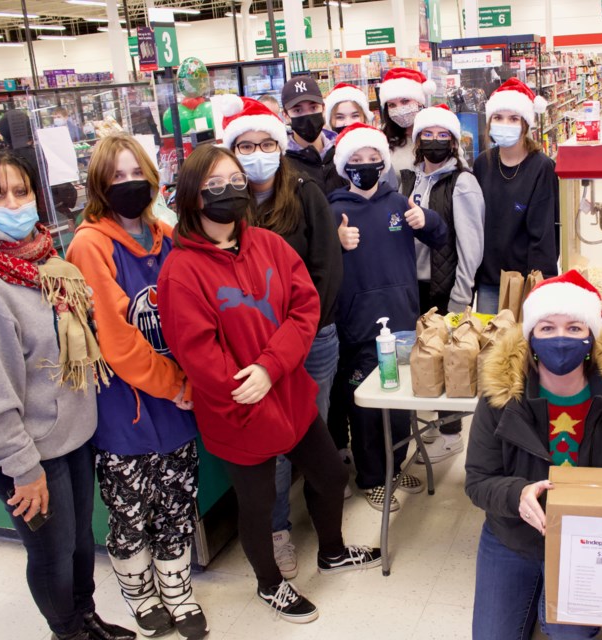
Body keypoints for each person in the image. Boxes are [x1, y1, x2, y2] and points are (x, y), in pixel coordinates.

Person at [157, 144, 381, 625]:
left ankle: (332, 551)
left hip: (287, 393)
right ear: (193, 198)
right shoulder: (181, 270)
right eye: (215, 186)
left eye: (236, 181)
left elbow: (304, 309)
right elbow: (196, 351)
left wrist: (269, 367)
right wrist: (246, 382)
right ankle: (269, 584)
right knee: (259, 505)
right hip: (236, 408)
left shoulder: (270, 245)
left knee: (330, 474)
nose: (231, 191)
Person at [0, 151, 132, 640]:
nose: (14, 203)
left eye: (21, 191)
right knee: (51, 554)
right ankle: (67, 632)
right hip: (26, 456)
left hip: (70, 437)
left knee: (79, 545)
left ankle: (85, 618)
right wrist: (21, 469)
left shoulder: (47, 261)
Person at [65, 135, 207, 640]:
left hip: (179, 402)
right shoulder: (90, 244)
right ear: (100, 186)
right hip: (126, 409)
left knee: (176, 502)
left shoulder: (166, 234)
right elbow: (116, 337)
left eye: (136, 172)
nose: (129, 183)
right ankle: (140, 594)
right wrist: (176, 385)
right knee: (130, 512)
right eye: (116, 176)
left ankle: (177, 588)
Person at [465, 271, 602, 640]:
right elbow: (477, 481)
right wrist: (516, 495)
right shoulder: (501, 397)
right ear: (531, 337)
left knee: (568, 634)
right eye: (547, 328)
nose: (561, 339)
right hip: (513, 535)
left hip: (589, 539)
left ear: (592, 336)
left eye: (574, 327)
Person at [214, 95, 344, 580]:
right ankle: (277, 531)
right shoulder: (225, 205)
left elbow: (325, 270)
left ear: (281, 145)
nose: (258, 153)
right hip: (256, 357)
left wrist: (301, 335)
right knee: (270, 446)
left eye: (268, 142)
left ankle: (322, 525)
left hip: (312, 343)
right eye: (246, 146)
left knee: (313, 437)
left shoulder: (306, 191)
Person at [328, 123, 447, 511]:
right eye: (356, 160)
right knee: (364, 407)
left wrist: (425, 221)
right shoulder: (334, 211)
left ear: (383, 162)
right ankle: (372, 477)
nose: (365, 165)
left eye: (372, 158)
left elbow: (441, 236)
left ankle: (395, 467)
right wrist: (335, 243)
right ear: (345, 166)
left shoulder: (399, 204)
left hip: (402, 323)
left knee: (399, 403)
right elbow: (314, 263)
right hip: (358, 329)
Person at [399, 104, 485, 463]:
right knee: (427, 358)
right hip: (411, 285)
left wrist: (461, 295)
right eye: (427, 135)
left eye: (442, 135)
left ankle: (451, 434)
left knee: (451, 362)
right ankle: (433, 427)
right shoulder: (406, 179)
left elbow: (471, 244)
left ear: (453, 141)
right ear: (417, 140)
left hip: (445, 287)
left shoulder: (462, 182)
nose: (434, 141)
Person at [473, 78, 559, 314]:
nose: (505, 124)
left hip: (525, 280)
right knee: (491, 345)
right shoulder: (482, 164)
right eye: (498, 118)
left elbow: (544, 233)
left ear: (525, 124)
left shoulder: (541, 167)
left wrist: (542, 284)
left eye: (513, 118)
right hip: (489, 279)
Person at [277, 75, 345, 194]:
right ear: (286, 115)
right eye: (298, 110)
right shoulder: (281, 163)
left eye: (313, 107)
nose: (308, 116)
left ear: (323, 108)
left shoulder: (342, 151)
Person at [378, 67, 434, 176]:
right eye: (392, 105)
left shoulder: (438, 130)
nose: (400, 109)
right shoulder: (383, 139)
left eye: (405, 101)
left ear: (419, 101)